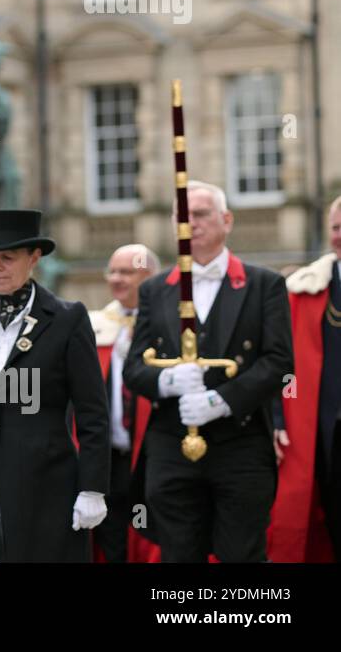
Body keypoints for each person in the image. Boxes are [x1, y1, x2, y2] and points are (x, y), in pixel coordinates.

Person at [124, 180, 293, 562]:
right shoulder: (154, 290)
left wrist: (221, 400)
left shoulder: (264, 285)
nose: (190, 224)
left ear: (227, 220)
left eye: (200, 214)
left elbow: (280, 364)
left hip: (241, 446)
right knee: (179, 554)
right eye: (181, 216)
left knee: (241, 554)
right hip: (171, 446)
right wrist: (166, 380)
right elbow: (134, 369)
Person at [0, 208, 110, 561]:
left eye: (7, 257)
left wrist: (93, 489)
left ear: (33, 258)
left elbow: (93, 413)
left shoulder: (66, 318)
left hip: (44, 485)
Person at [270, 195, 341, 561]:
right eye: (335, 228)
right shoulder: (304, 291)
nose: (340, 236)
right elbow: (278, 365)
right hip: (322, 433)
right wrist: (278, 419)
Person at [88, 243, 159, 562]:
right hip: (111, 457)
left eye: (126, 272)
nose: (116, 279)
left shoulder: (167, 325)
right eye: (112, 271)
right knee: (111, 538)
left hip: (154, 455)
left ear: (150, 277)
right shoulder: (97, 326)